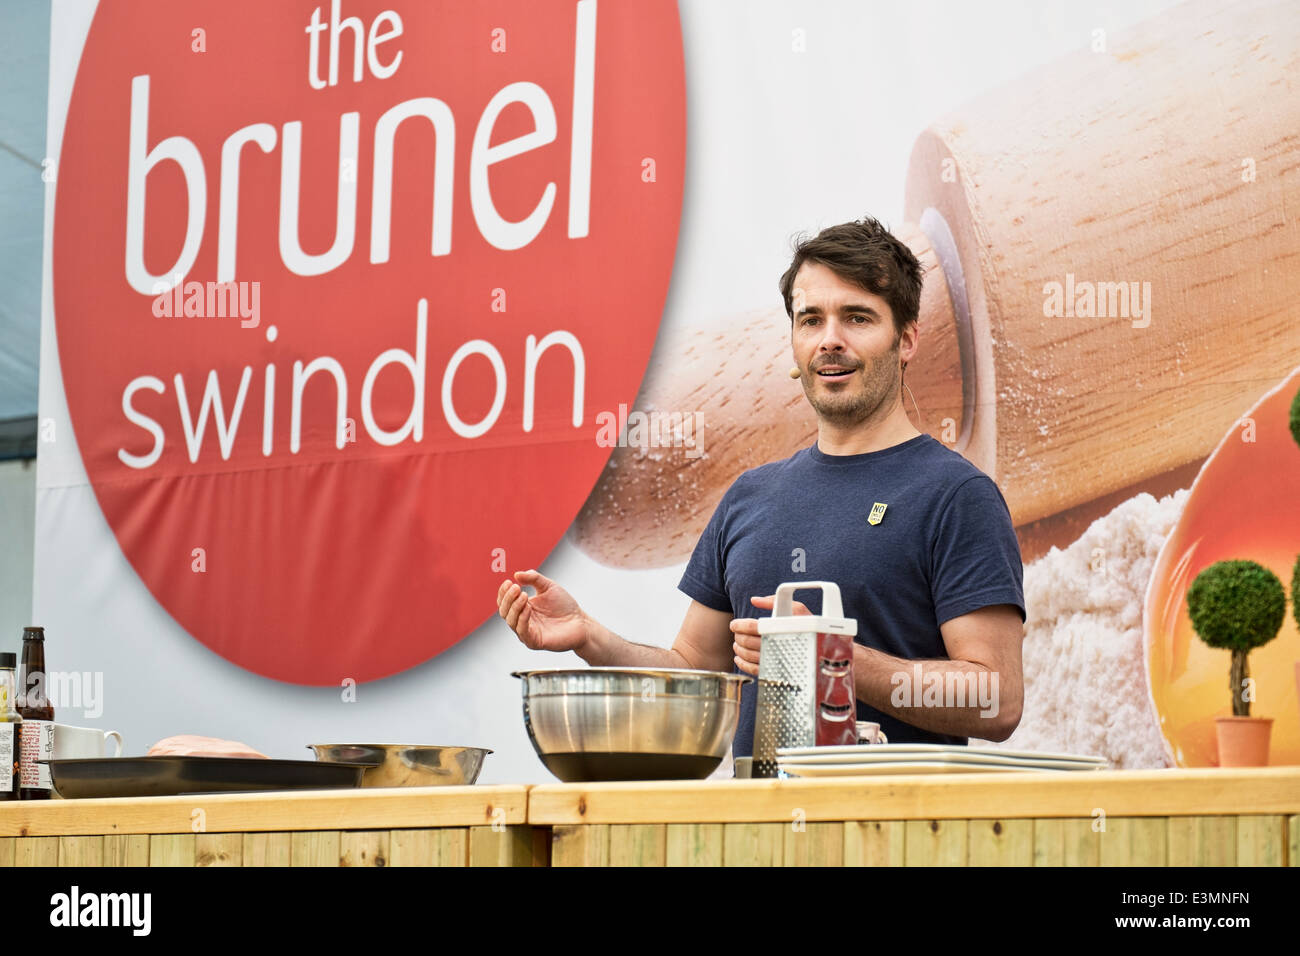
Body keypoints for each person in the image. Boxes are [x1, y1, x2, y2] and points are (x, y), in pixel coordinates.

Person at [497, 216, 1025, 756]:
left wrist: (837, 660)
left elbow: (997, 698)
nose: (830, 341)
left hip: (893, 831)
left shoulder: (956, 495)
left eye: (858, 318)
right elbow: (693, 673)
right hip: (757, 830)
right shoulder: (751, 496)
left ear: (907, 338)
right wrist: (589, 636)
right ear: (794, 342)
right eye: (811, 320)